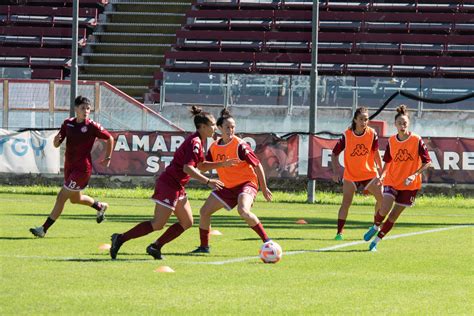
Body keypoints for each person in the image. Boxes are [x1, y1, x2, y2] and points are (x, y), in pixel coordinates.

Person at [109, 106, 231, 260]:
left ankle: (155, 246)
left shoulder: (199, 141)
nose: (215, 128)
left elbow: (200, 166)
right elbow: (188, 168)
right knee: (158, 224)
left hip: (177, 186)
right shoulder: (195, 142)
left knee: (187, 222)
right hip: (169, 185)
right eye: (213, 125)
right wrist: (207, 181)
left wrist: (221, 164)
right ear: (202, 127)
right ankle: (120, 238)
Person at [29, 96, 114, 238]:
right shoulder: (68, 124)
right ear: (75, 109)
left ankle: (43, 229)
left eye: (88, 108)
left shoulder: (92, 126)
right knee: (75, 199)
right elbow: (57, 143)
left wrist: (108, 157)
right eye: (83, 108)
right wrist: (56, 142)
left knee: (61, 197)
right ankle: (100, 206)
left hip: (82, 169)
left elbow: (109, 138)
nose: (86, 111)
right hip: (69, 167)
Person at [191, 108, 273, 254]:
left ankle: (268, 241)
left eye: (233, 127)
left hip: (246, 184)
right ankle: (204, 247)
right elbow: (203, 167)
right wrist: (201, 164)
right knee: (204, 212)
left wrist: (264, 187)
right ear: (219, 128)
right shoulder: (214, 147)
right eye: (227, 127)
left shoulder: (240, 145)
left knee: (243, 211)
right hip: (227, 186)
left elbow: (258, 165)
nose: (231, 130)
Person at [363, 104, 431, 251]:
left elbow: (428, 162)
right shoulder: (392, 141)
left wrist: (414, 175)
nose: (402, 125)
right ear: (395, 124)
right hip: (392, 180)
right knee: (384, 208)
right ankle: (375, 226)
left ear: (409, 124)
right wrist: (382, 176)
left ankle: (376, 241)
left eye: (405, 123)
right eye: (399, 123)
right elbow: (387, 161)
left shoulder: (416, 140)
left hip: (410, 185)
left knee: (393, 216)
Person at [331, 107, 383, 240]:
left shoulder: (372, 134)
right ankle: (339, 233)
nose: (363, 122)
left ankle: (375, 226)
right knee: (346, 203)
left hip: (369, 173)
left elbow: (376, 154)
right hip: (351, 175)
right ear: (355, 119)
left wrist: (381, 172)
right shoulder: (347, 135)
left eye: (366, 119)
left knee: (382, 199)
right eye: (361, 119)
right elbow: (335, 153)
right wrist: (336, 171)